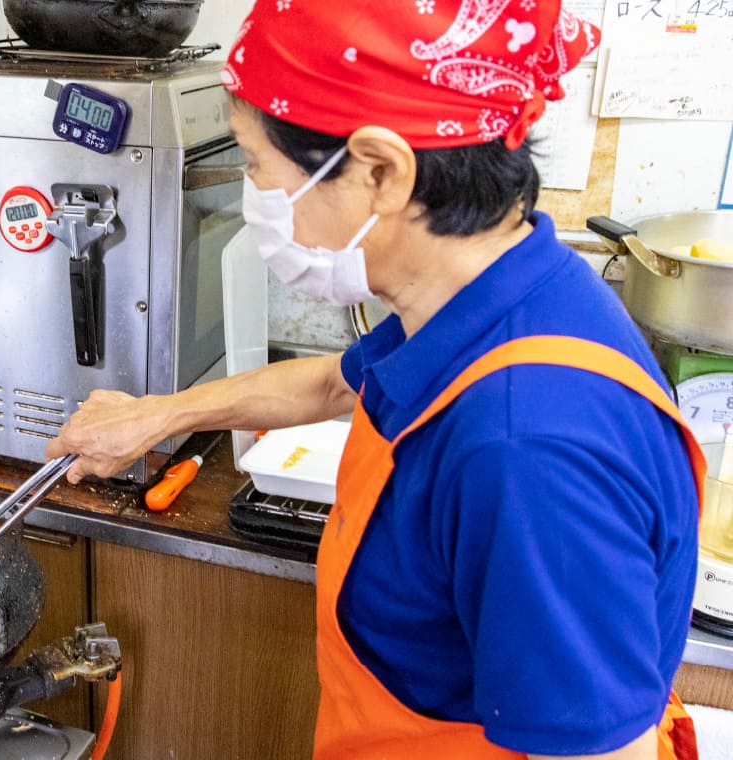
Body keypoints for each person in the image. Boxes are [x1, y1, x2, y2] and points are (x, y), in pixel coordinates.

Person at [46, 2, 705, 758]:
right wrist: (157, 415)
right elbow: (338, 381)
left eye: (259, 166)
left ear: (381, 171)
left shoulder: (525, 449)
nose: (254, 194)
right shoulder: (498, 294)